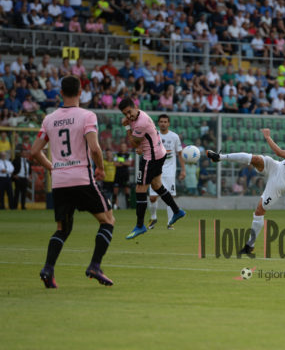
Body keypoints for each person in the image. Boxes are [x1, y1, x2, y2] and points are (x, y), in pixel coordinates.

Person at [30, 75, 115, 288]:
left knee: (62, 229)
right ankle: (95, 266)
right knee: (107, 220)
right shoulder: (87, 116)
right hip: (81, 177)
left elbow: (34, 151)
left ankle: (48, 269)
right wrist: (100, 168)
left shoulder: (49, 119)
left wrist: (52, 168)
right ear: (80, 92)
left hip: (60, 181)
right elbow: (94, 148)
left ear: (61, 93)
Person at [206, 122, 285, 256]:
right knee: (255, 159)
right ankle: (220, 157)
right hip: (278, 166)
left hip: (281, 182)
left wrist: (267, 137)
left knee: (259, 210)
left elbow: (279, 152)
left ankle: (249, 245)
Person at [118, 98, 186, 239]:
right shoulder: (139, 115)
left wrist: (126, 127)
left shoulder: (141, 122)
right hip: (159, 153)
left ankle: (140, 226)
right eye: (125, 114)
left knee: (140, 189)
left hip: (151, 157)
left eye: (129, 112)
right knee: (156, 185)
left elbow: (133, 143)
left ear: (135, 106)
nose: (128, 116)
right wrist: (139, 144)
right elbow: (142, 141)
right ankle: (177, 211)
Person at [147, 114, 186, 230]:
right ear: (158, 123)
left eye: (165, 122)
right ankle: (153, 218)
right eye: (161, 121)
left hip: (169, 172)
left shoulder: (174, 137)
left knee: (170, 197)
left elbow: (180, 154)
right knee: (153, 197)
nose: (163, 123)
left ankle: (170, 222)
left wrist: (183, 170)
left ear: (168, 123)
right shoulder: (154, 135)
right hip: (155, 170)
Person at [113, 142, 133, 209]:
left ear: (126, 148)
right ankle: (114, 205)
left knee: (127, 191)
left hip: (125, 175)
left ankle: (128, 206)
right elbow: (115, 164)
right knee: (115, 191)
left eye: (124, 146)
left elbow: (129, 163)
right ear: (120, 147)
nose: (123, 148)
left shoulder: (128, 155)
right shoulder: (117, 155)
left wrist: (120, 162)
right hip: (117, 175)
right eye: (121, 146)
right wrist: (124, 162)